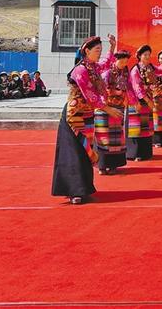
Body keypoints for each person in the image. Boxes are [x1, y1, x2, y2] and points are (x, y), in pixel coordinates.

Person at [51, 35, 118, 205]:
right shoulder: (80, 70)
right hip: (74, 116)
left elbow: (106, 64)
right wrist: (108, 109)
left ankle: (84, 188)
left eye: (100, 50)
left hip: (87, 114)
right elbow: (90, 94)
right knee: (74, 152)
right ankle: (74, 191)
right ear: (87, 51)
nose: (99, 53)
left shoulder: (93, 67)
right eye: (97, 50)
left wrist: (112, 47)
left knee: (85, 152)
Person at [96, 49, 136, 175]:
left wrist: (132, 100)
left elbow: (129, 87)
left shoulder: (125, 72)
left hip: (119, 107)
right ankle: (102, 166)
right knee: (103, 137)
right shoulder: (107, 72)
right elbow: (101, 89)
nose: (124, 64)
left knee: (116, 138)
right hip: (105, 108)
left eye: (126, 62)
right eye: (122, 61)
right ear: (116, 60)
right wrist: (114, 93)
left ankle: (113, 165)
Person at [128, 45, 157, 161]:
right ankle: (136, 154)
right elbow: (137, 88)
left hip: (147, 100)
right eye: (145, 55)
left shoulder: (150, 68)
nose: (147, 57)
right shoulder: (135, 70)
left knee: (146, 127)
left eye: (149, 54)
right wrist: (148, 101)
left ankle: (146, 153)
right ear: (139, 56)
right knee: (137, 128)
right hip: (138, 101)